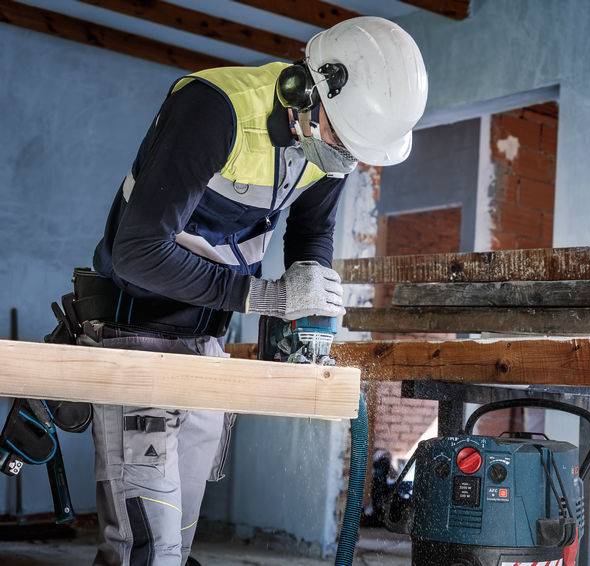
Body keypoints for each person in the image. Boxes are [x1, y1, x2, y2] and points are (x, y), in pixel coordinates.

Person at [69, 16, 427, 565]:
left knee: (180, 537)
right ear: (306, 88)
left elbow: (312, 232)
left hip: (205, 345)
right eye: (341, 137)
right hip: (132, 337)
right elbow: (136, 252)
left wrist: (308, 284)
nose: (344, 158)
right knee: (145, 548)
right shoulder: (216, 109)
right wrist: (261, 298)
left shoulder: (329, 143)